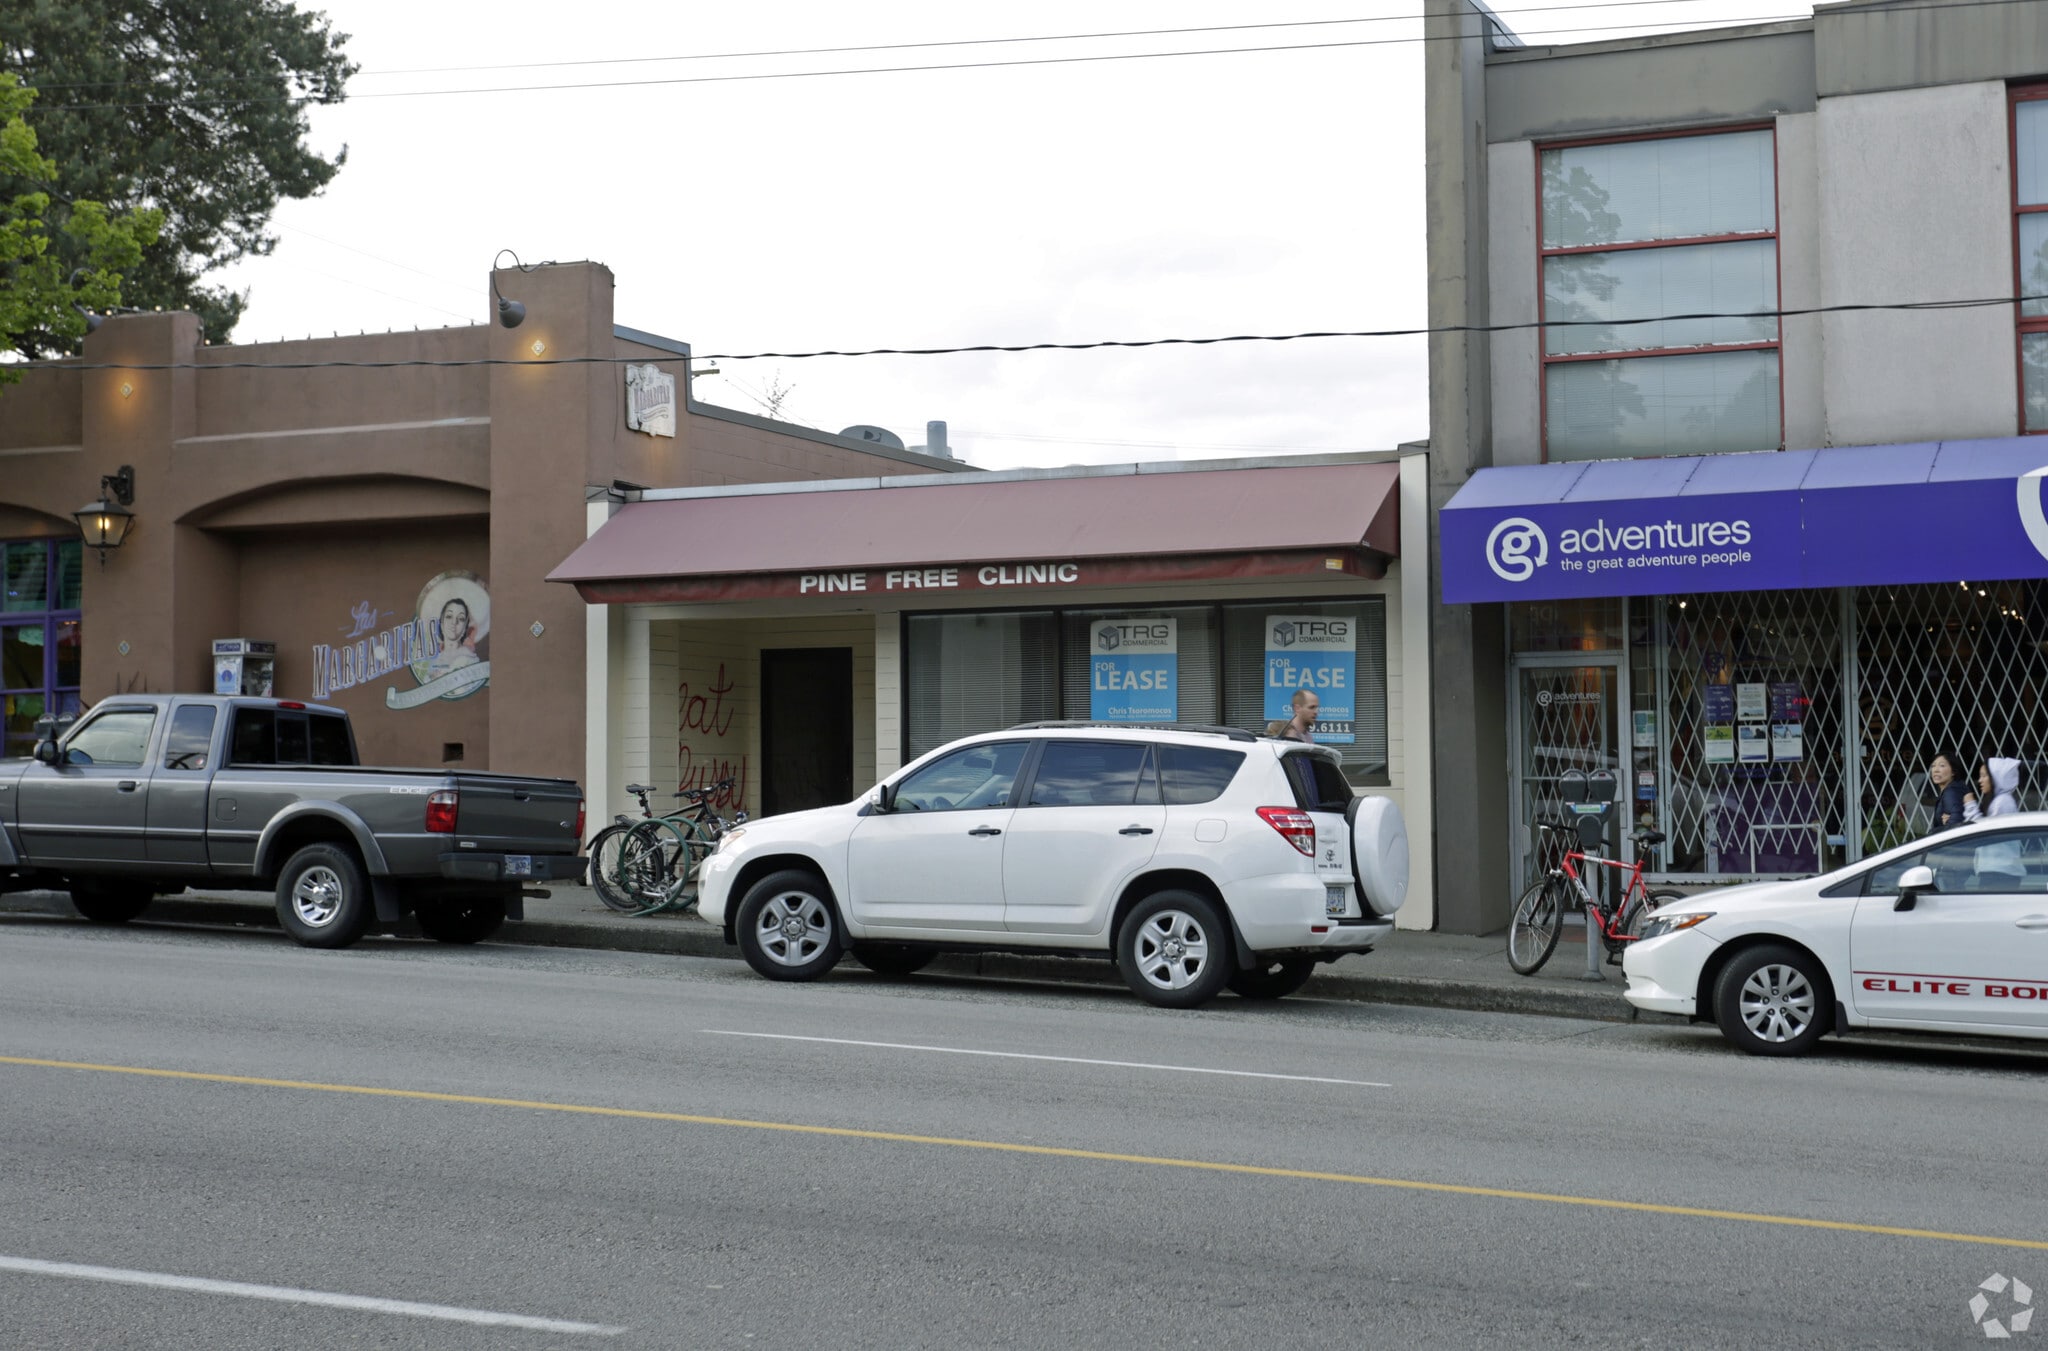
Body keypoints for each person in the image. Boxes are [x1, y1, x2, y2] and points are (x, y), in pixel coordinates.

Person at [1926, 752, 1971, 834]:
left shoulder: (1951, 792)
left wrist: (1946, 824)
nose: (1936, 770)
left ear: (1953, 771)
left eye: (1942, 766)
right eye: (1933, 766)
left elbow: (1955, 827)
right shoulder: (1957, 787)